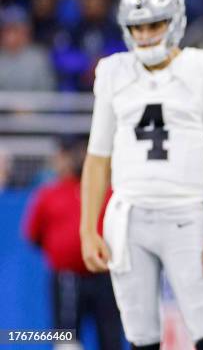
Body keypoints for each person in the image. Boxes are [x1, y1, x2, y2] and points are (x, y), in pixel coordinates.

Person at [79, 0, 203, 350]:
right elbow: (97, 157)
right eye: (138, 26)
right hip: (128, 216)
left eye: (155, 24)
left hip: (185, 215)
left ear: (177, 20)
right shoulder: (113, 71)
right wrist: (88, 229)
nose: (147, 34)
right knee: (140, 336)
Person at [24, 136, 123, 350]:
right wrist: (64, 253)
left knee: (111, 338)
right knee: (67, 340)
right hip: (67, 279)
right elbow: (34, 235)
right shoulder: (49, 194)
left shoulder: (109, 192)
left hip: (105, 277)